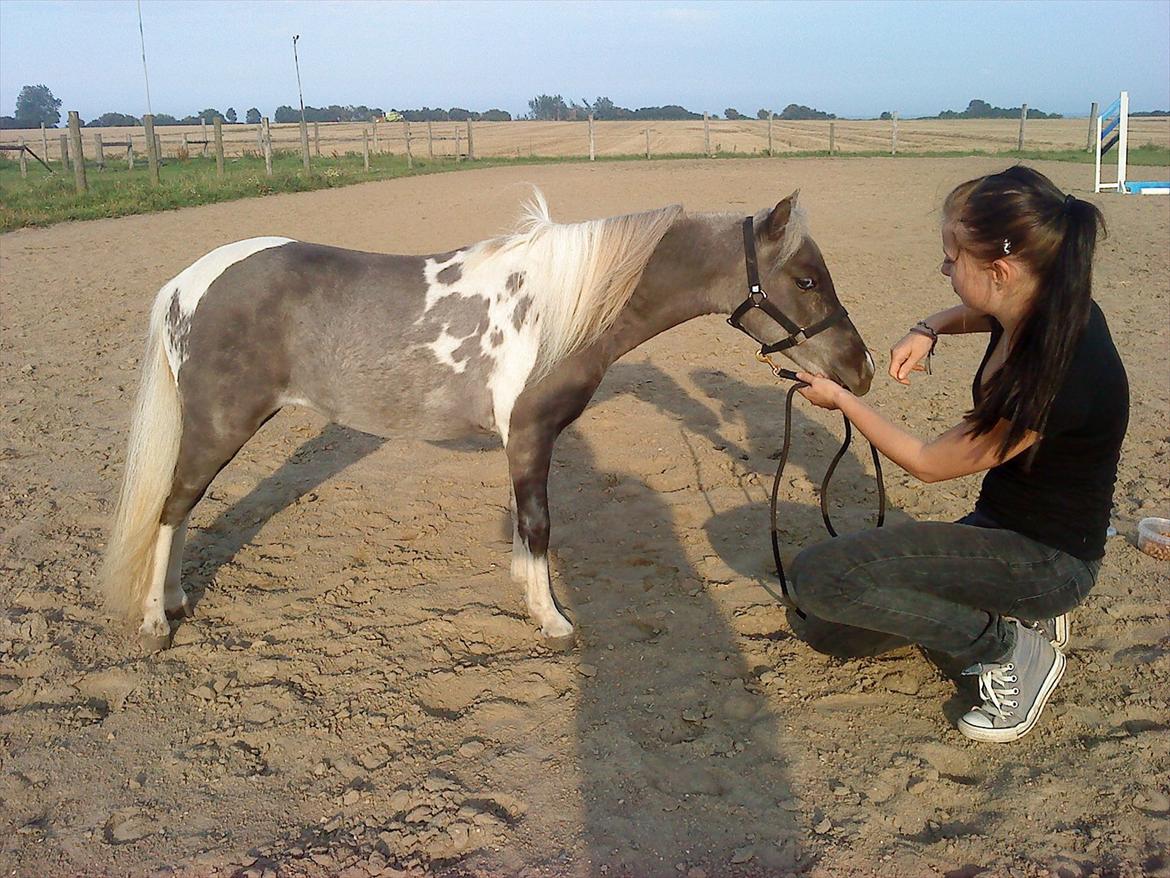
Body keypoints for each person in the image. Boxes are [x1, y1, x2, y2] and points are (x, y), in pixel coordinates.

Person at [788, 165, 1129, 743]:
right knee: (831, 630)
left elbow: (928, 463)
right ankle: (1014, 613)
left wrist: (843, 400)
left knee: (822, 578)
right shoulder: (1039, 301)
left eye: (951, 259)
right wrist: (930, 327)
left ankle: (1011, 648)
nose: (943, 269)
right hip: (999, 528)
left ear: (998, 270)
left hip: (1049, 560)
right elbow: (984, 313)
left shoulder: (1055, 368)